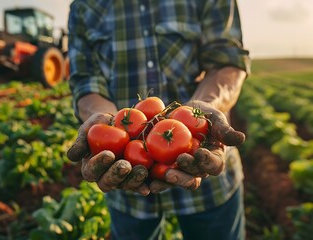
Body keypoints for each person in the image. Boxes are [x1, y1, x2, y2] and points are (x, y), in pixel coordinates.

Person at [66, 0, 250, 239]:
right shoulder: (85, 6)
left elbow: (228, 60)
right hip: (126, 186)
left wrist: (207, 107)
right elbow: (84, 80)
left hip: (210, 184)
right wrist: (102, 121)